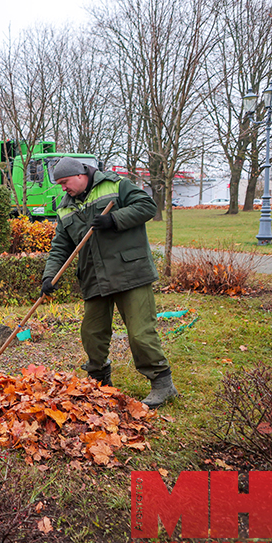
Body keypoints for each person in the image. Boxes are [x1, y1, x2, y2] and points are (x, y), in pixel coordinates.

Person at [41, 157, 178, 409]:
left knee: (139, 333)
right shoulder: (65, 207)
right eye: (59, 184)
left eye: (65, 182)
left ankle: (162, 383)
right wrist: (49, 276)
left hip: (130, 271)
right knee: (92, 334)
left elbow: (147, 206)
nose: (63, 188)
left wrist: (114, 220)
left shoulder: (116, 185)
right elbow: (61, 245)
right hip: (94, 277)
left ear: (81, 175)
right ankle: (99, 381)